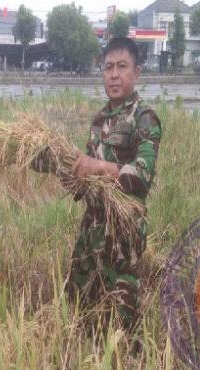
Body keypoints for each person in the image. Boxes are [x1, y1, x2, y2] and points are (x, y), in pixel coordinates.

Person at [36, 37, 162, 331]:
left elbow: (142, 177)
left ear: (137, 72)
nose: (114, 74)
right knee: (78, 306)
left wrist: (98, 167)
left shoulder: (144, 119)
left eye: (122, 66)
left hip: (122, 231)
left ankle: (129, 368)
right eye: (108, 68)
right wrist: (58, 166)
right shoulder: (99, 119)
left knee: (123, 317)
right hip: (92, 230)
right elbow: (85, 184)